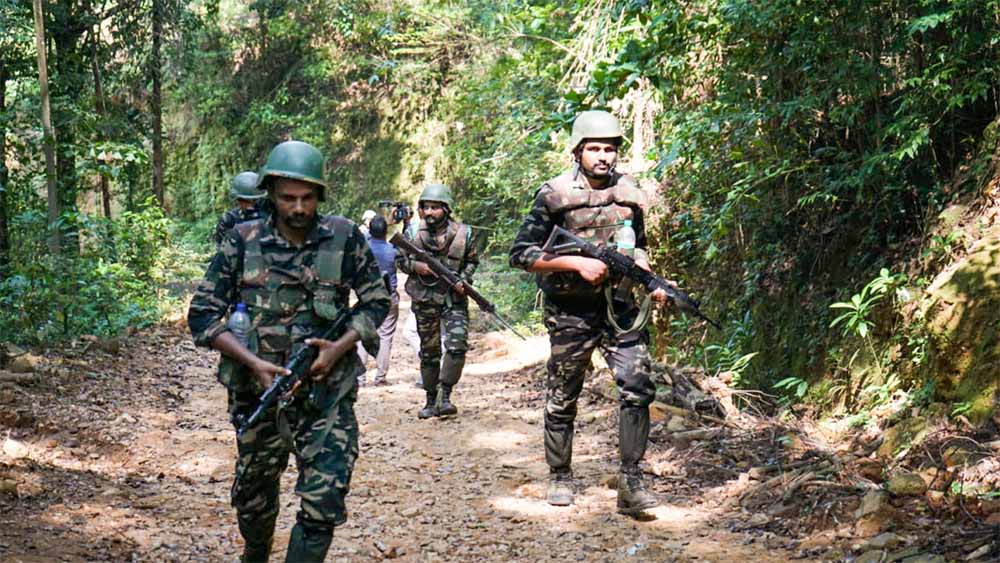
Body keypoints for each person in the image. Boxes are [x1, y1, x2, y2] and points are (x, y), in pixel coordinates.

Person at [188, 140, 390, 562]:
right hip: (258, 396)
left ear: (320, 195)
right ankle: (256, 551)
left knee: (324, 504)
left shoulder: (344, 237)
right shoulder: (243, 241)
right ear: (271, 194)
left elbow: (376, 301)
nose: (298, 208)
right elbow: (203, 315)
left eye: (307, 198)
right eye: (287, 198)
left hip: (327, 394)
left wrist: (339, 346)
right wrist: (252, 362)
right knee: (254, 501)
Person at [508, 110, 669, 515]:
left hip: (621, 308)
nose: (602, 156)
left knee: (637, 387)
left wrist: (648, 276)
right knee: (564, 393)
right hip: (571, 311)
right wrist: (576, 263)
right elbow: (521, 254)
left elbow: (639, 245)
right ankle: (560, 474)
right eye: (594, 148)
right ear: (577, 151)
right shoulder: (554, 195)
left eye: (609, 149)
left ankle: (631, 481)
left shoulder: (629, 193)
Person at [396, 183, 479, 418]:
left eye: (435, 207)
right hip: (425, 299)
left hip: (454, 299)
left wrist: (464, 279)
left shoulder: (463, 233)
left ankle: (445, 395)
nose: (429, 212)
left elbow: (472, 261)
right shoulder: (413, 232)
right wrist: (417, 266)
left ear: (446, 208)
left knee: (457, 346)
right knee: (429, 352)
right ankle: (431, 399)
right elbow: (400, 260)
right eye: (426, 207)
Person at [363, 216, 399, 386]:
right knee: (385, 336)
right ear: (386, 232)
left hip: (367, 296)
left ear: (369, 231)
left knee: (362, 333)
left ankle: (360, 378)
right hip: (388, 296)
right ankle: (380, 377)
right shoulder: (392, 251)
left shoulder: (363, 250)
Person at [213, 171, 266, 245]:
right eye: (245, 201)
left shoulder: (271, 215)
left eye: (255, 200)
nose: (250, 206)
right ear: (237, 200)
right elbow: (221, 247)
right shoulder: (229, 219)